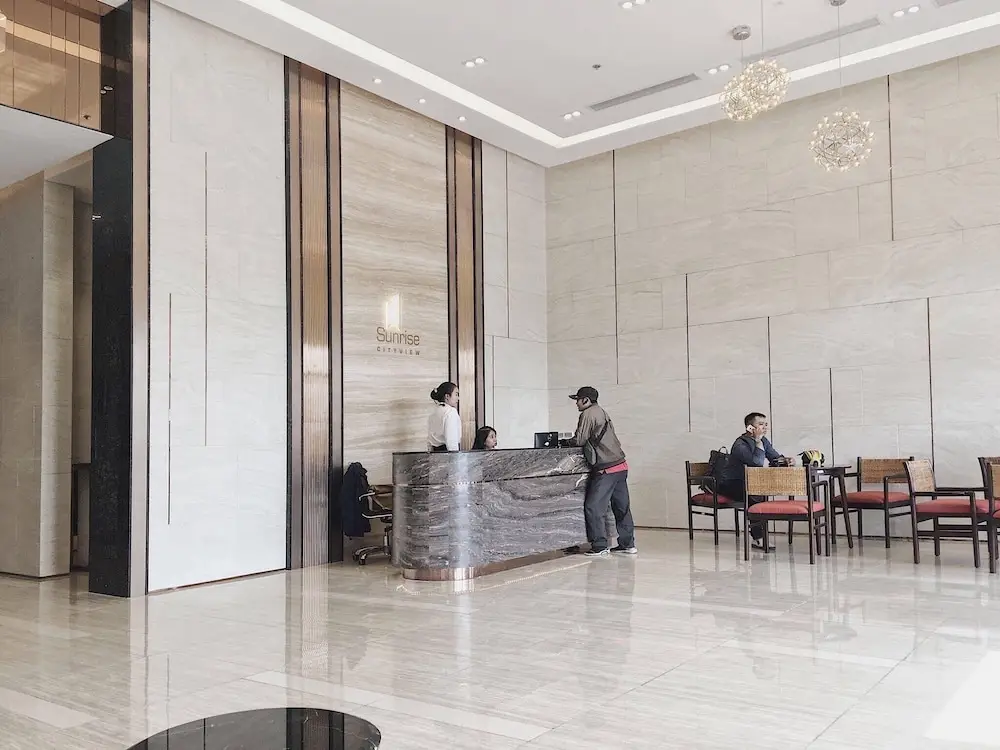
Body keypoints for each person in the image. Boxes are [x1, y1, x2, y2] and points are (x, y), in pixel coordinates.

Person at [568, 386, 637, 557]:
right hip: (621, 465)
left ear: (586, 400)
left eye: (578, 400)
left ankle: (599, 546)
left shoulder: (588, 414)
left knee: (593, 507)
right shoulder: (602, 412)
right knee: (622, 508)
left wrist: (567, 442)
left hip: (606, 469)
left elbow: (580, 440)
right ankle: (628, 544)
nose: (576, 403)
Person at [718, 412, 796, 550]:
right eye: (760, 424)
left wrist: (785, 460)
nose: (765, 427)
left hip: (749, 483)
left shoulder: (764, 441)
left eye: (766, 424)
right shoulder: (740, 444)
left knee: (757, 491)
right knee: (755, 494)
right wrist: (758, 442)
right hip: (730, 483)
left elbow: (774, 457)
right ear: (750, 427)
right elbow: (756, 463)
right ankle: (758, 538)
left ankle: (759, 534)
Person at [427, 382, 461, 452]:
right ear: (447, 396)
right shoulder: (450, 412)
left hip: (434, 454)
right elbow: (451, 441)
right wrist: (455, 457)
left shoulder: (434, 412)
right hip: (447, 453)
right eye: (456, 394)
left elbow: (429, 439)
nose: (458, 398)